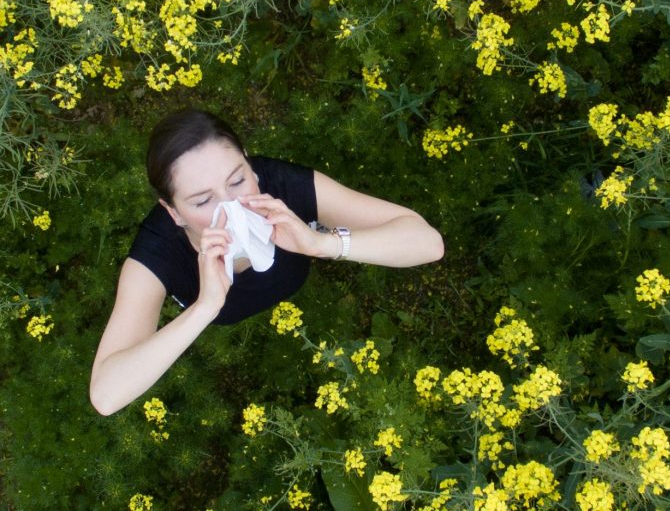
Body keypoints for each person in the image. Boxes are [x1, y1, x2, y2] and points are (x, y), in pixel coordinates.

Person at [90, 109, 444, 415]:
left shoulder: (281, 186)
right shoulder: (158, 251)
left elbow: (427, 243)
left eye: (237, 180)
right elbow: (106, 395)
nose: (233, 206)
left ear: (250, 164)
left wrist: (323, 243)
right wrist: (205, 307)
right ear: (173, 212)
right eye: (202, 201)